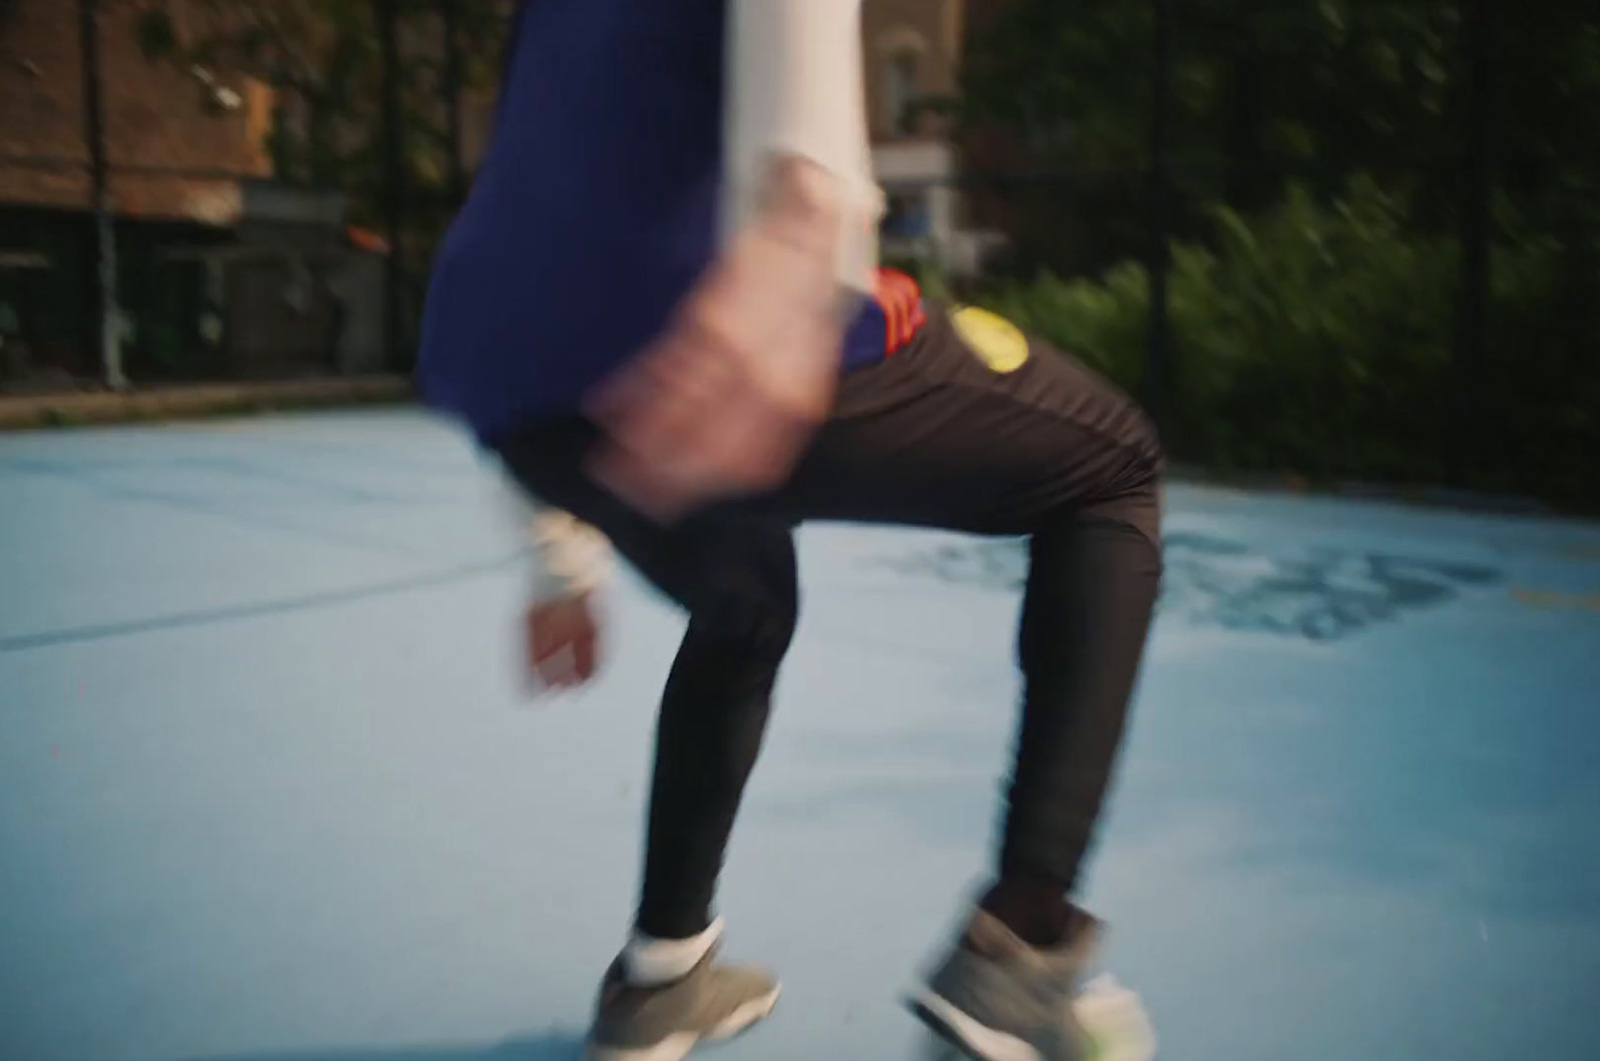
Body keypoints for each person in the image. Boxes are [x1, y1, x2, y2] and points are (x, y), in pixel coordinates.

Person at [417, 2, 1164, 1059]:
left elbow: (539, 194)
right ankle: (1022, 949)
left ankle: (662, 975)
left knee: (744, 603)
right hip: (706, 334)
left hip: (515, 383)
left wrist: (554, 555)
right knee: (1112, 466)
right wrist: (805, 227)